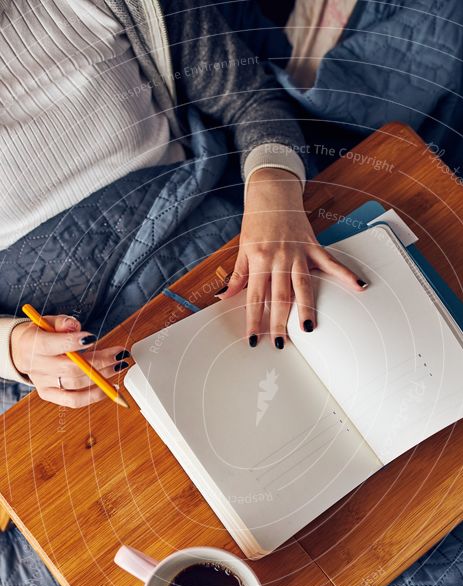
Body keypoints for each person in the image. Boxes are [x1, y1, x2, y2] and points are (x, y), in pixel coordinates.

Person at [0, 0, 364, 408]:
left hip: (227, 239)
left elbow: (247, 100)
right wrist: (12, 348)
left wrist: (274, 190)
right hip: (80, 356)